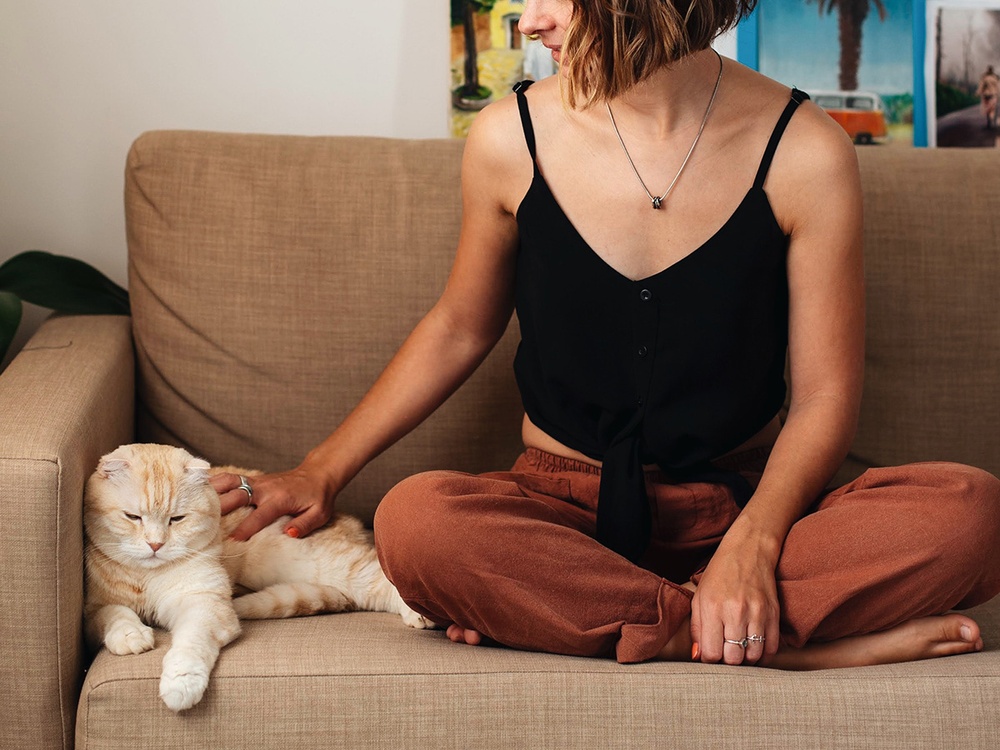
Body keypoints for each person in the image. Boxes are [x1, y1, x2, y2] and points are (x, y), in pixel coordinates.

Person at [211, 0, 1000, 668]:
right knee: (416, 523)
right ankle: (761, 641)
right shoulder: (506, 138)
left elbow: (825, 396)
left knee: (975, 512)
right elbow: (458, 326)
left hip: (742, 504)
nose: (529, 21)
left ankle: (657, 620)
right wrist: (321, 468)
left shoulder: (805, 151)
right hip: (557, 514)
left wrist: (753, 545)